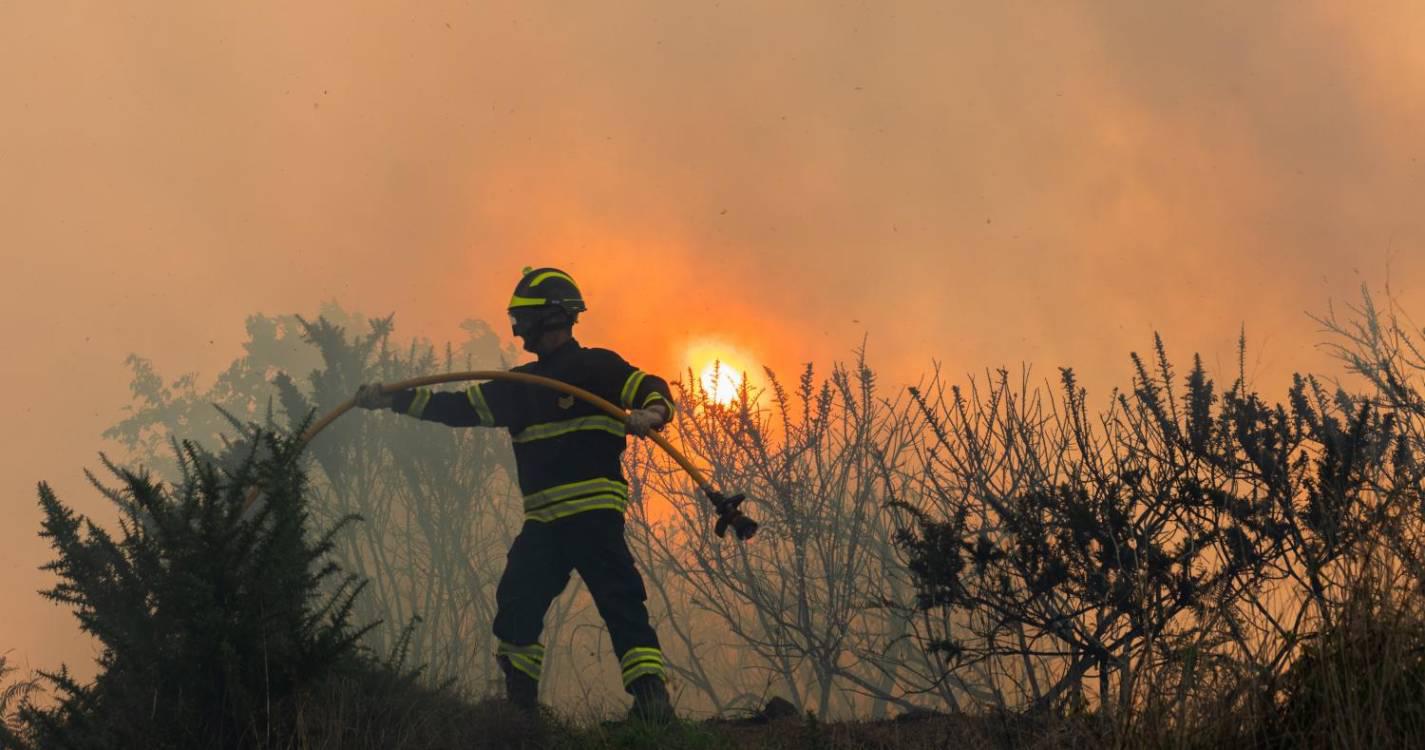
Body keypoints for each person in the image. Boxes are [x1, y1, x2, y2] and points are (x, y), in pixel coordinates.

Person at [352, 267, 676, 721]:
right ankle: (520, 713)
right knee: (517, 602)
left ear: (550, 317)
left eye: (523, 317)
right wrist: (393, 400)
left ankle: (652, 703)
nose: (518, 327)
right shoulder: (520, 386)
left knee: (619, 600)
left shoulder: (597, 368)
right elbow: (457, 408)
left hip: (593, 516)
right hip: (543, 522)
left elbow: (651, 388)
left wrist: (652, 414)